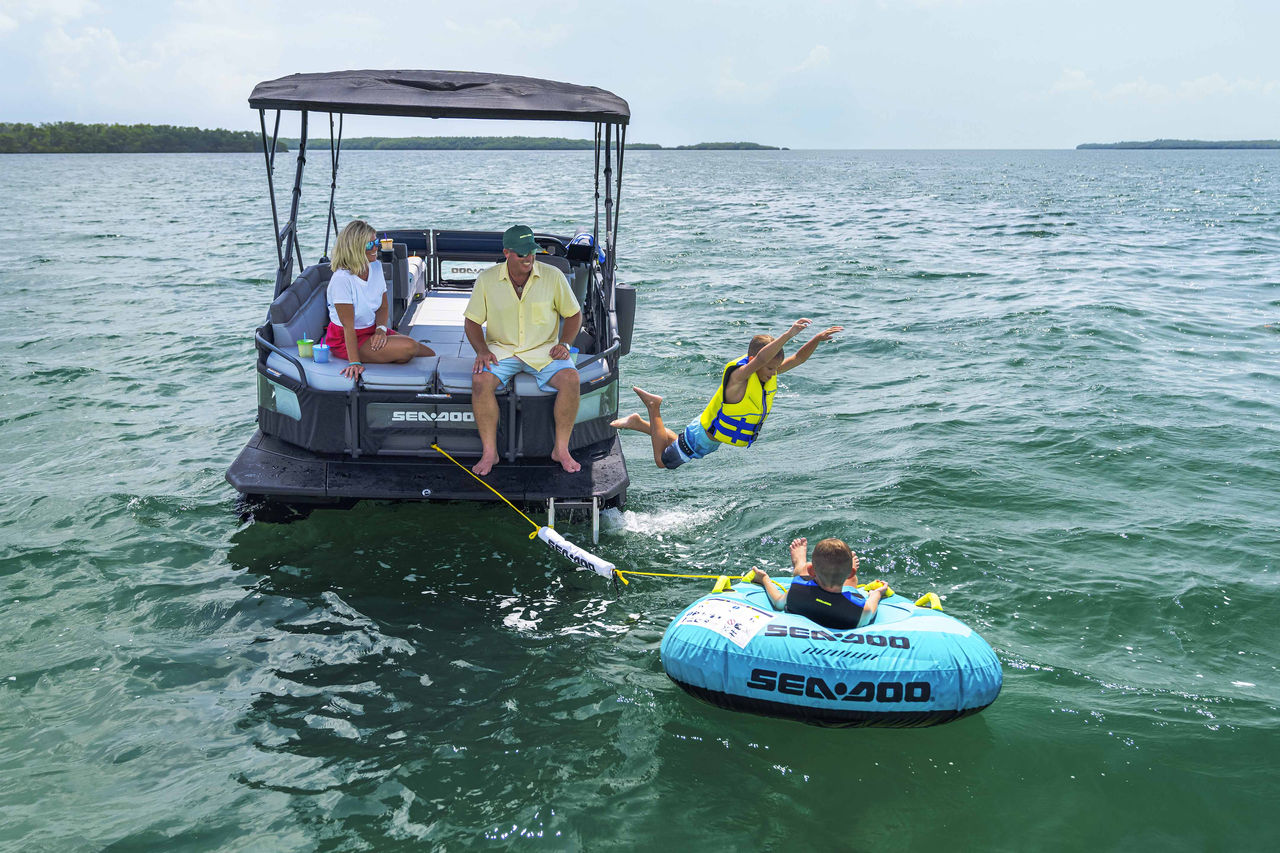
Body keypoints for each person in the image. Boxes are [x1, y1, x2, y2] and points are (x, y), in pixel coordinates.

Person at [611, 318, 843, 470]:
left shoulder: (765, 374)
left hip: (709, 438)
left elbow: (798, 359)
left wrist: (816, 339)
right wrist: (789, 334)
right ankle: (654, 406)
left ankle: (636, 422)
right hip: (701, 436)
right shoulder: (738, 379)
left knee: (672, 441)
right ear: (754, 361)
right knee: (664, 461)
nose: (774, 374)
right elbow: (762, 359)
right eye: (771, 368)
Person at [464, 225, 583, 476]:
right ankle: (490, 452)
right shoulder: (486, 279)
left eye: (532, 252)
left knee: (572, 379)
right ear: (506, 252)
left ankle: (560, 450)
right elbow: (472, 322)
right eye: (521, 254)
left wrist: (565, 344)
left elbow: (574, 316)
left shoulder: (553, 276)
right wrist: (482, 351)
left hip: (544, 350)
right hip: (502, 350)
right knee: (479, 381)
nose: (529, 258)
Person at [325, 219, 434, 380]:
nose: (376, 248)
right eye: (370, 245)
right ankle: (387, 357)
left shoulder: (375, 267)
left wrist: (380, 330)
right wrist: (354, 362)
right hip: (347, 339)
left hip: (371, 330)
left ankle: (389, 356)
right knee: (409, 347)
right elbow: (348, 327)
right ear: (354, 248)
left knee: (428, 353)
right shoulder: (342, 279)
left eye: (376, 242)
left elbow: (383, 307)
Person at [747, 537, 884, 630]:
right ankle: (844, 570)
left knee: (801, 575)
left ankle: (800, 565)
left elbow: (778, 603)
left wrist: (765, 579)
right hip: (845, 597)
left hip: (808, 591)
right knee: (851, 584)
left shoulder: (797, 590)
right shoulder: (859, 609)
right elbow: (871, 610)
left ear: (811, 571)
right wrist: (877, 593)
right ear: (852, 572)